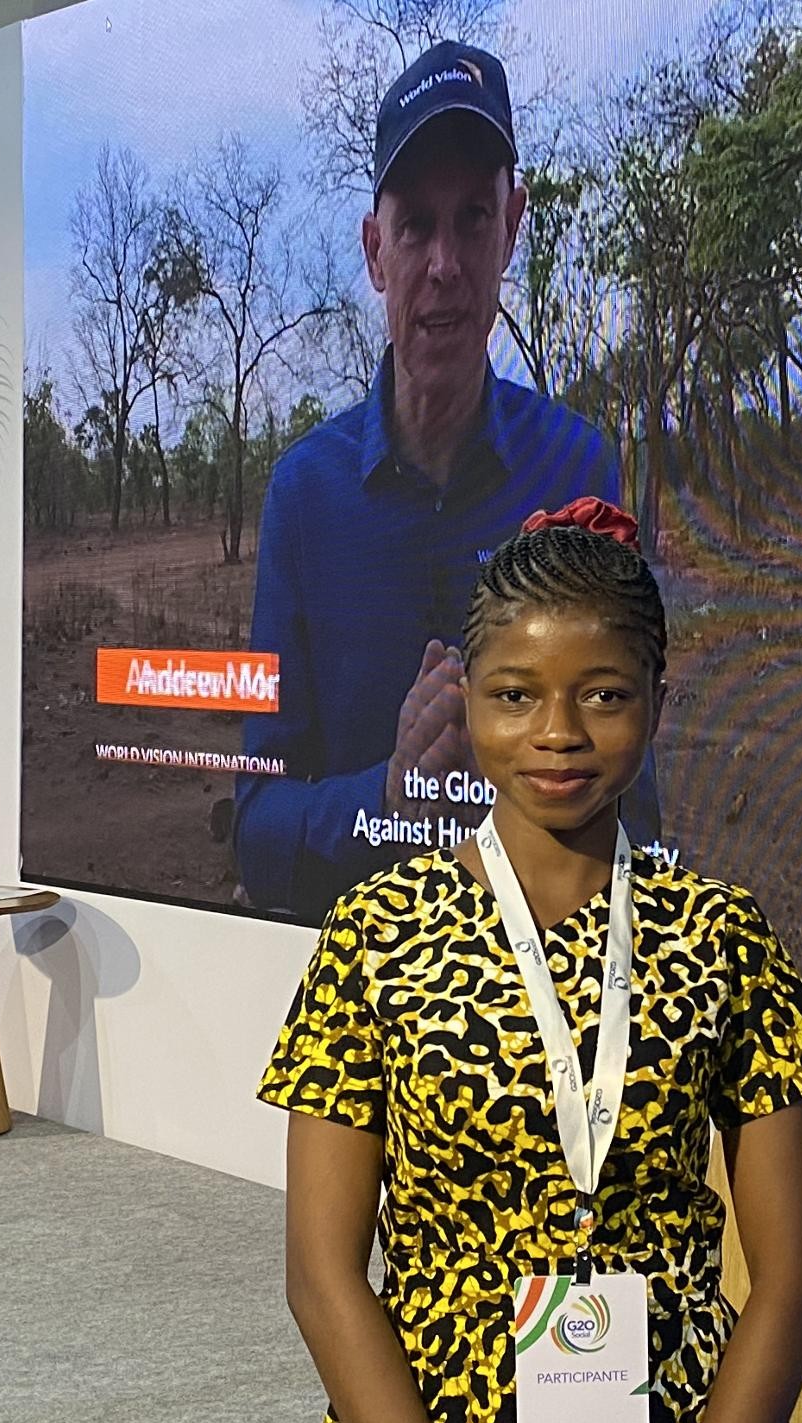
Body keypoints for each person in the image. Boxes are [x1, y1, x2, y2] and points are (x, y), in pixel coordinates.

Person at [259, 499, 802, 1423]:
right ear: (466, 698)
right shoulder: (374, 934)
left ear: (658, 701)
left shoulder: (722, 939)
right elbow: (323, 1279)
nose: (557, 732)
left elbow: (792, 1282)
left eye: (603, 694)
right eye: (515, 694)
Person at [235, 40, 655, 921]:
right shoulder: (304, 498)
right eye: (417, 225)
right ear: (375, 252)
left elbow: (636, 803)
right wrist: (387, 801)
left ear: (513, 229)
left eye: (472, 218)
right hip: (355, 999)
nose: (445, 265)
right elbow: (258, 830)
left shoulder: (577, 468)